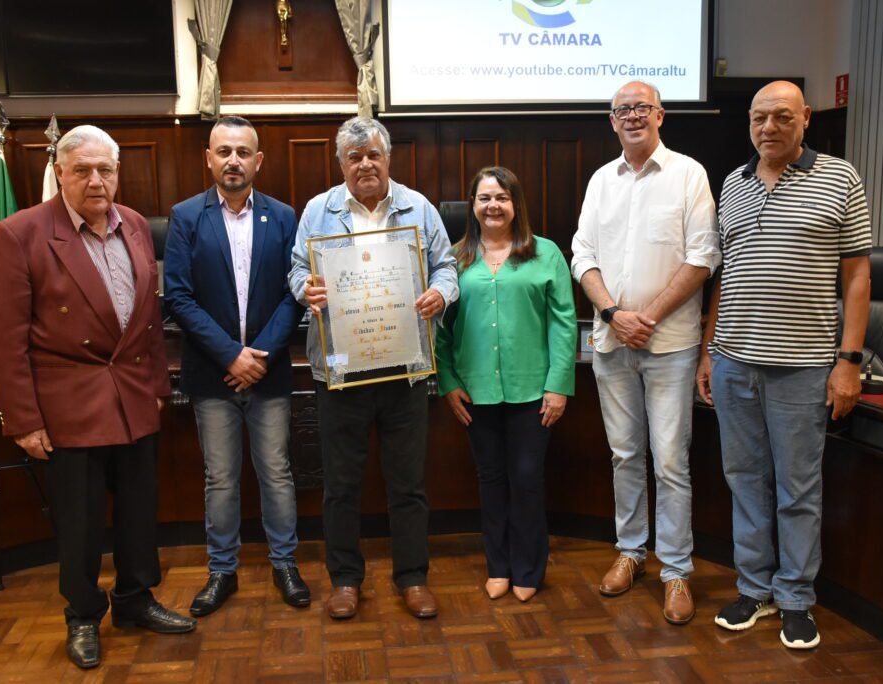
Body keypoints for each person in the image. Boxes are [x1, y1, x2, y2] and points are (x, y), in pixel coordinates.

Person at [0, 125, 195, 670]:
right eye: (82, 170)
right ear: (59, 173)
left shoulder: (139, 227)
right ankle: (81, 615)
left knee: (139, 514)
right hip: (68, 405)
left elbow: (146, 321)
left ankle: (134, 600)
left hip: (134, 396)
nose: (96, 181)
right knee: (79, 524)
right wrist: (24, 420)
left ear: (118, 173)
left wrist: (157, 388)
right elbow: (3, 339)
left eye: (105, 170)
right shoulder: (20, 233)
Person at [697, 80, 871, 649]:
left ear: (806, 118)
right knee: (745, 481)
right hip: (732, 363)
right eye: (758, 118)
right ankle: (755, 589)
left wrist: (848, 362)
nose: (768, 127)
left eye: (781, 116)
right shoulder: (734, 184)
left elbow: (858, 277)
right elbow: (725, 276)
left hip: (803, 367)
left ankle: (796, 596)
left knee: (797, 488)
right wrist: (708, 349)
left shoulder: (840, 178)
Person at [289, 116, 458, 620]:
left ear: (388, 159)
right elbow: (297, 268)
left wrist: (440, 292)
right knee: (341, 484)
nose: (365, 164)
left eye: (373, 155)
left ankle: (412, 578)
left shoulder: (418, 207)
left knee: (407, 482)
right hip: (341, 370)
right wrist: (306, 288)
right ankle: (344, 580)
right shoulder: (319, 211)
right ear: (342, 164)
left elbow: (447, 266)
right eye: (354, 157)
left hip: (405, 365)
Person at [570, 81, 720, 625]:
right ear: (612, 121)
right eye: (621, 110)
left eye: (641, 108)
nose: (632, 116)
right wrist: (614, 314)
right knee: (626, 455)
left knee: (672, 460)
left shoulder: (688, 174)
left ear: (660, 115)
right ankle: (630, 551)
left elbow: (703, 256)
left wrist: (648, 317)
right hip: (611, 342)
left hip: (671, 346)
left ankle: (676, 570)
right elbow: (581, 253)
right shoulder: (600, 181)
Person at [163, 116, 309, 617]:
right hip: (213, 374)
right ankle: (221, 571)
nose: (233, 160)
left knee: (276, 473)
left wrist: (259, 356)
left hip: (268, 374)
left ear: (258, 161)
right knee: (221, 478)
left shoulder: (285, 216)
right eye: (223, 151)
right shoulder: (185, 217)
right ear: (208, 157)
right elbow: (178, 297)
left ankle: (284, 563)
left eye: (242, 152)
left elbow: (296, 294)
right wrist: (230, 354)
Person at [435, 166, 575, 603]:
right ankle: (498, 566)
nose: (493, 205)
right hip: (476, 391)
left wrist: (559, 385)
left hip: (534, 390)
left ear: (516, 205)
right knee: (491, 479)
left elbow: (564, 323)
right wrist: (447, 382)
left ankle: (529, 568)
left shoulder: (546, 253)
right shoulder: (453, 258)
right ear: (473, 206)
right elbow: (439, 328)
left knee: (528, 477)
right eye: (484, 198)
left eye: (501, 197)